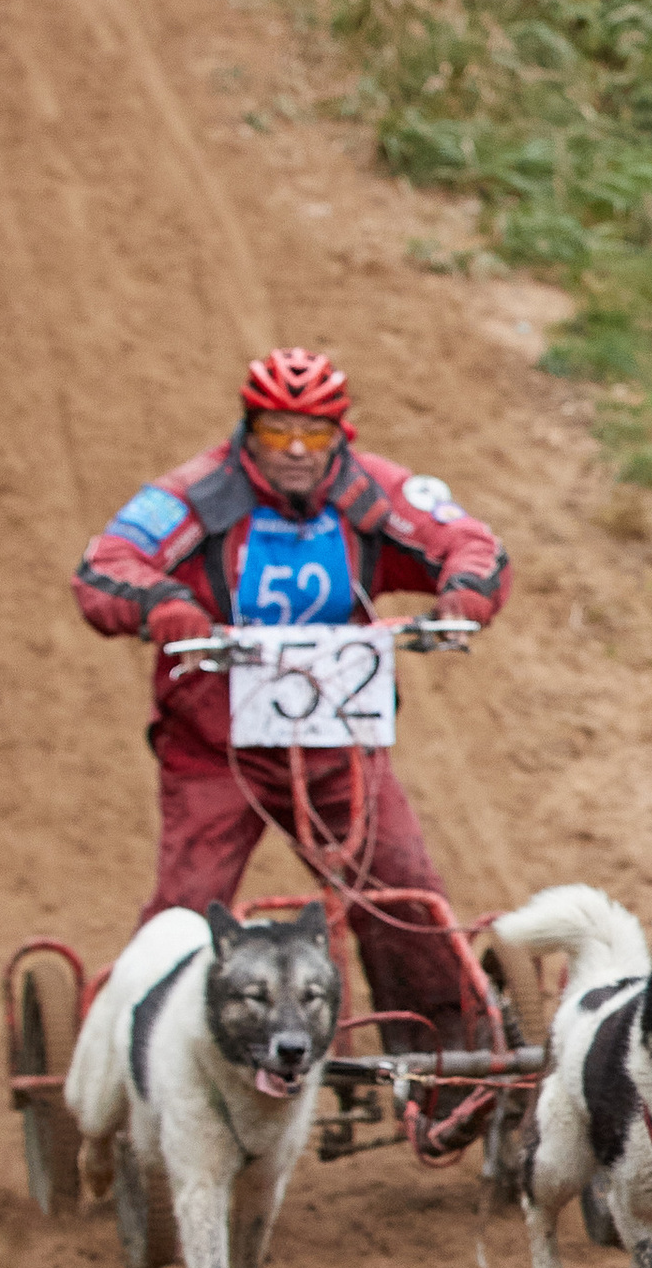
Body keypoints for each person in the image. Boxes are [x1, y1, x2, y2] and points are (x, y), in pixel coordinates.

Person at [73, 348, 511, 1044]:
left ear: (343, 434)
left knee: (401, 891)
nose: (299, 450)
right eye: (279, 431)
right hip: (216, 749)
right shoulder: (197, 494)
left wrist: (464, 595)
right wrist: (162, 604)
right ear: (250, 429)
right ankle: (148, 1055)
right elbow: (105, 567)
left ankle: (442, 1052)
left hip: (339, 740)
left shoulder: (371, 493)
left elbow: (471, 542)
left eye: (317, 432)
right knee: (188, 911)